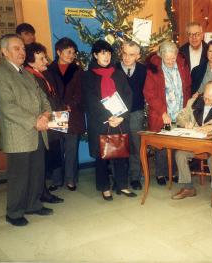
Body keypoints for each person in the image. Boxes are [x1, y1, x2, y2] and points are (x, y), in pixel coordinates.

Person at [0, 34, 53, 227]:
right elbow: (8, 106)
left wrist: (46, 115)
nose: (22, 52)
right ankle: (14, 212)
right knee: (19, 176)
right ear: (4, 51)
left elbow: (43, 98)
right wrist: (35, 121)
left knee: (37, 171)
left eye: (23, 49)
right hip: (18, 133)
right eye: (16, 48)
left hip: (38, 130)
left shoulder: (26, 73)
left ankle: (33, 204)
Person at [82, 40, 137, 200]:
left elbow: (128, 95)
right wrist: (108, 117)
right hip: (100, 121)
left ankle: (122, 185)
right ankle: (104, 187)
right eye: (102, 53)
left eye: (108, 53)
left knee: (120, 153)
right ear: (95, 55)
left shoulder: (118, 73)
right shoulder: (87, 76)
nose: (106, 56)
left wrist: (120, 117)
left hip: (119, 120)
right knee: (102, 156)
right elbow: (90, 100)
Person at [173, 81, 212, 207]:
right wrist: (186, 124)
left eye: (209, 99)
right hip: (196, 143)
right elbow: (180, 115)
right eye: (204, 97)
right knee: (180, 154)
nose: (205, 101)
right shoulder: (195, 101)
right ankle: (188, 188)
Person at [144, 41, 191, 185]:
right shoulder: (154, 69)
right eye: (167, 58)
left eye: (173, 57)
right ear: (161, 55)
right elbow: (149, 93)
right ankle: (161, 173)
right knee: (162, 145)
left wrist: (187, 108)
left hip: (180, 112)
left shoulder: (182, 66)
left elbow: (188, 86)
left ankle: (176, 172)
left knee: (178, 144)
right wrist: (163, 112)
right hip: (163, 114)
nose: (171, 61)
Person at [24, 42, 64, 204]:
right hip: (42, 124)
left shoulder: (41, 74)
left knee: (48, 158)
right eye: (42, 59)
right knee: (42, 161)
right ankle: (41, 193)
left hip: (52, 120)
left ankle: (42, 191)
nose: (46, 62)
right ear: (31, 62)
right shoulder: (29, 76)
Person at [48, 37, 85, 191]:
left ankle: (71, 179)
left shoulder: (77, 70)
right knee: (57, 148)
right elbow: (48, 92)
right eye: (68, 51)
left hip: (73, 113)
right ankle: (56, 180)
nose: (72, 55)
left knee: (71, 148)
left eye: (73, 52)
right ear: (58, 52)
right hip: (56, 112)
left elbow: (81, 92)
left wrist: (71, 105)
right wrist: (60, 106)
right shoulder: (49, 70)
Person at [116, 41, 147, 190]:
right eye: (125, 53)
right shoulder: (114, 69)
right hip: (118, 114)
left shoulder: (143, 70)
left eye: (131, 55)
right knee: (119, 144)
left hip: (136, 112)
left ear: (138, 56)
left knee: (136, 144)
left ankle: (135, 177)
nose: (127, 58)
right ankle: (119, 177)